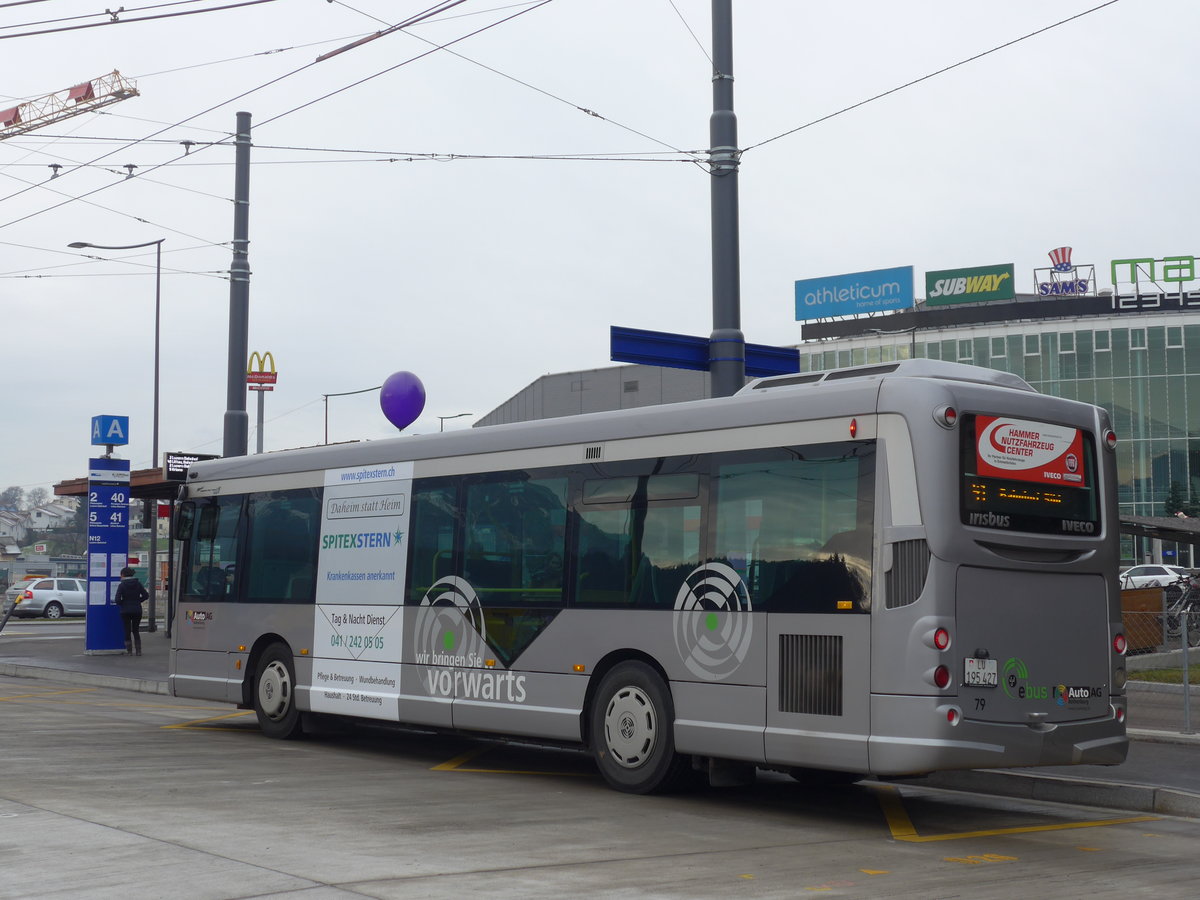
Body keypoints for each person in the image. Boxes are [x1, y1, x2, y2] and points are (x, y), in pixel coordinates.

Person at [113, 566, 148, 656]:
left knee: (127, 630)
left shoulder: (122, 585)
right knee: (136, 630)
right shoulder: (138, 584)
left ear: (123, 575)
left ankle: (129, 651)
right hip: (137, 610)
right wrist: (138, 601)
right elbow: (146, 595)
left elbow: (117, 599)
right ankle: (138, 651)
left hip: (125, 611)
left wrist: (123, 603)